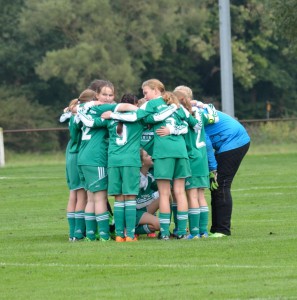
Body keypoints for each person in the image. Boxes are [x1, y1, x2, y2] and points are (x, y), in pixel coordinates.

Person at [138, 79, 201, 240]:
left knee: (165, 194)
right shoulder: (175, 104)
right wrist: (176, 128)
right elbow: (195, 124)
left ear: (156, 90)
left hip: (163, 152)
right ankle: (181, 231)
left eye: (146, 92)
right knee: (180, 192)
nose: (144, 97)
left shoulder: (150, 105)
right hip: (180, 152)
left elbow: (143, 118)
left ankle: (164, 232)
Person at [203, 108, 250, 237]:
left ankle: (223, 230)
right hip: (231, 141)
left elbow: (206, 145)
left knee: (221, 184)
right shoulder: (198, 108)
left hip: (234, 143)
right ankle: (215, 228)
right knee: (215, 186)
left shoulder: (196, 116)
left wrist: (213, 169)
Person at [59, 99, 87, 241]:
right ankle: (78, 231)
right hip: (78, 154)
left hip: (70, 153)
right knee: (82, 195)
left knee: (73, 194)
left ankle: (72, 232)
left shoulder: (71, 114)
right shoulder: (81, 116)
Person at [135, 149, 160, 237]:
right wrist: (153, 196)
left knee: (165, 195)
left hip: (144, 210)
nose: (150, 157)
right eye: (147, 156)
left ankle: (136, 230)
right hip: (135, 212)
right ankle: (129, 229)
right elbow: (137, 204)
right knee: (160, 224)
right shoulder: (135, 178)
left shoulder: (149, 176)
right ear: (141, 163)